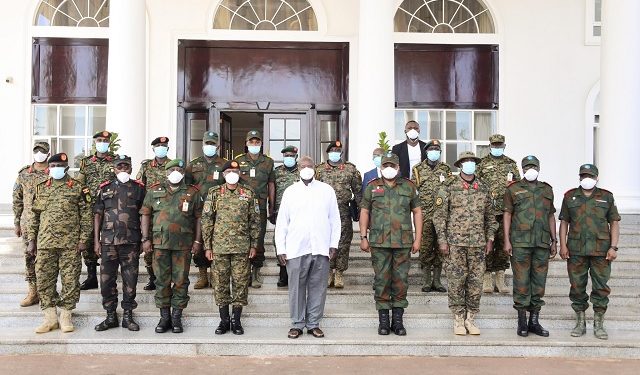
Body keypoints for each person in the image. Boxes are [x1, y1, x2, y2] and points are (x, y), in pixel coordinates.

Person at [275, 155, 341, 339]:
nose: (306, 168)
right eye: (303, 166)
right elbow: (282, 222)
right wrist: (281, 248)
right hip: (296, 248)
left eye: (309, 165)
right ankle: (297, 324)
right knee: (296, 288)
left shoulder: (326, 190)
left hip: (321, 248)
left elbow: (335, 220)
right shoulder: (290, 191)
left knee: (318, 288)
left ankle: (313, 324)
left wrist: (333, 244)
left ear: (315, 169)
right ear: (298, 168)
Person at [27, 153, 92, 333]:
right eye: (53, 165)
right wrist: (31, 240)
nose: (56, 168)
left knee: (70, 280)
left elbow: (86, 216)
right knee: (44, 279)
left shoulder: (78, 188)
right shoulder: (41, 188)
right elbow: (34, 217)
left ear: (66, 167)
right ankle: (50, 317)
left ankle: (65, 316)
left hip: (70, 244)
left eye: (59, 165)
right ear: (49, 167)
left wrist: (83, 240)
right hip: (45, 242)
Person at [434, 151, 497, 336]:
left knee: (476, 282)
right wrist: (442, 240)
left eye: (472, 161)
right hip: (455, 244)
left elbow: (491, 218)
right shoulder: (448, 187)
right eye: (466, 161)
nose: (470, 164)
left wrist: (490, 238)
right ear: (460, 164)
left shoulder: (484, 187)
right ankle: (458, 319)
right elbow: (439, 217)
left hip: (478, 244)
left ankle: (471, 318)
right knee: (456, 281)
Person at [360, 152, 422, 336]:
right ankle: (383, 321)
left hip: (403, 242)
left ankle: (398, 321)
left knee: (401, 281)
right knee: (381, 280)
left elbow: (417, 212)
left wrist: (418, 238)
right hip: (379, 242)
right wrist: (363, 237)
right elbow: (364, 211)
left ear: (398, 168)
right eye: (385, 165)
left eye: (392, 166)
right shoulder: (372, 187)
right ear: (381, 168)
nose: (388, 168)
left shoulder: (409, 187)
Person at [140, 159, 202, 334]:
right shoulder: (154, 191)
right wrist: (145, 239)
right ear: (166, 173)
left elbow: (199, 218)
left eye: (179, 169)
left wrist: (198, 241)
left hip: (183, 243)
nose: (175, 172)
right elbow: (145, 214)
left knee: (181, 281)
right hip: (159, 244)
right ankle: (164, 316)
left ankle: (176, 317)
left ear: (183, 173)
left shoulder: (192, 192)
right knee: (161, 280)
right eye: (172, 169)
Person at [559, 164, 620, 340]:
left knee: (601, 288)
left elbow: (614, 222)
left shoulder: (606, 197)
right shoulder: (570, 196)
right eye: (584, 175)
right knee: (577, 287)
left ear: (596, 177)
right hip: (576, 250)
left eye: (590, 176)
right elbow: (564, 222)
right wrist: (562, 245)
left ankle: (599, 324)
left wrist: (613, 247)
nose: (587, 178)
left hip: (601, 251)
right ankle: (580, 322)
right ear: (579, 177)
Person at [201, 160, 259, 335]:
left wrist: (254, 244)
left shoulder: (248, 193)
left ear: (240, 173)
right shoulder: (214, 193)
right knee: (220, 284)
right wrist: (207, 246)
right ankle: (224, 320)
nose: (233, 174)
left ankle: (237, 320)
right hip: (219, 248)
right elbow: (206, 220)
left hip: (242, 247)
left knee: (240, 283)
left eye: (236, 171)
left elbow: (255, 221)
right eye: (229, 171)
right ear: (224, 174)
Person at [503, 155, 557, 337]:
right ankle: (522, 322)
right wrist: (507, 240)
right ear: (522, 169)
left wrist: (554, 240)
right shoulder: (514, 189)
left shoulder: (547, 190)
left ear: (539, 168)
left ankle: (534, 321)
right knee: (521, 281)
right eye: (527, 166)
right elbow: (507, 215)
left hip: (541, 242)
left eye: (533, 166)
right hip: (520, 242)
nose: (530, 169)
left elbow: (551, 215)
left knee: (539, 283)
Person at [93, 155, 146, 332]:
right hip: (108, 241)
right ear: (114, 169)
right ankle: (110, 316)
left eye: (126, 166)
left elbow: (144, 214)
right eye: (119, 166)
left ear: (131, 168)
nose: (123, 169)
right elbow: (97, 214)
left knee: (130, 280)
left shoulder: (139, 189)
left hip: (130, 241)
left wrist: (144, 239)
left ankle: (128, 316)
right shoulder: (104, 188)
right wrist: (96, 241)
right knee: (107, 280)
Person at [477, 134, 520, 294]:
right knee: (487, 245)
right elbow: (476, 185)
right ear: (490, 146)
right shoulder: (482, 164)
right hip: (487, 212)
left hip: (506, 212)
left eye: (499, 145)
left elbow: (517, 187)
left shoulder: (511, 164)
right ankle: (487, 278)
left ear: (504, 145)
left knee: (504, 244)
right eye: (494, 145)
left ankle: (500, 278)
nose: (497, 147)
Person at [315, 140, 362, 289]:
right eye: (333, 150)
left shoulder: (350, 169)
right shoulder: (319, 170)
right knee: (325, 241)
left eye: (338, 150)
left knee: (343, 243)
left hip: (343, 211)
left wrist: (361, 211)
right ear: (328, 152)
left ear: (341, 152)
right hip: (323, 213)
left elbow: (358, 191)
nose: (335, 152)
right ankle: (328, 272)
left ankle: (339, 273)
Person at [76, 131, 117, 291]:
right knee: (89, 240)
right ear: (95, 143)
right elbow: (80, 183)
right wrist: (86, 197)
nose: (102, 142)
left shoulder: (115, 161)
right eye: (99, 140)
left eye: (105, 140)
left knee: (110, 239)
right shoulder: (86, 162)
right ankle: (91, 276)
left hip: (111, 207)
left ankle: (109, 274)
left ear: (109, 143)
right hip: (90, 207)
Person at [186, 131, 227, 290]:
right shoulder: (193, 165)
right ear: (203, 145)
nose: (209, 146)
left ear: (218, 146)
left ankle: (215, 276)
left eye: (212, 144)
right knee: (199, 243)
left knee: (217, 243)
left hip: (218, 211)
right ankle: (203, 275)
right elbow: (187, 188)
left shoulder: (224, 164)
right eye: (207, 143)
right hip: (198, 212)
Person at [235, 130, 275, 289]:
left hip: (260, 207)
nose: (254, 145)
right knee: (243, 239)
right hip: (241, 207)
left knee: (258, 240)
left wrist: (271, 204)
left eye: (257, 142)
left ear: (261, 143)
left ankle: (256, 273)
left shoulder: (268, 162)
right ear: (246, 143)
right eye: (251, 142)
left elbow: (271, 184)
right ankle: (243, 273)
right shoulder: (238, 161)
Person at [411, 139, 452, 293]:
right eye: (431, 149)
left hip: (442, 216)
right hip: (425, 215)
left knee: (440, 247)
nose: (434, 151)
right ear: (426, 152)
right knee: (426, 247)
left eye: (437, 149)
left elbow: (449, 190)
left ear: (440, 152)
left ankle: (437, 280)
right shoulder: (418, 169)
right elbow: (413, 192)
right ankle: (427, 280)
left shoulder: (446, 169)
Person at [13, 141, 50, 307]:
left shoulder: (54, 173)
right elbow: (17, 199)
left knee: (47, 259)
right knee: (29, 258)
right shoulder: (23, 174)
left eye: (42, 151)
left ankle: (46, 292)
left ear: (48, 153)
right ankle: (33, 291)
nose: (39, 153)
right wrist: (17, 222)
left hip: (48, 225)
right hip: (28, 224)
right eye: (37, 150)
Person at [136, 136, 172, 291]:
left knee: (165, 247)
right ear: (153, 149)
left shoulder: (173, 166)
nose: (161, 148)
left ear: (168, 148)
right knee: (148, 248)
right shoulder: (146, 166)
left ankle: (165, 278)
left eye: (164, 145)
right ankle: (152, 278)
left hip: (168, 213)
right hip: (149, 212)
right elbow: (139, 187)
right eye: (158, 145)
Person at [272, 145, 301, 288]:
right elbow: (272, 190)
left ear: (296, 156)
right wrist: (271, 210)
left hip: (298, 213)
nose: (288, 158)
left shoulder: (302, 172)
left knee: (295, 242)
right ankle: (283, 274)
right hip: (280, 212)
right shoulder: (277, 172)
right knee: (280, 241)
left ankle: (295, 274)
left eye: (291, 155)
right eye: (286, 156)